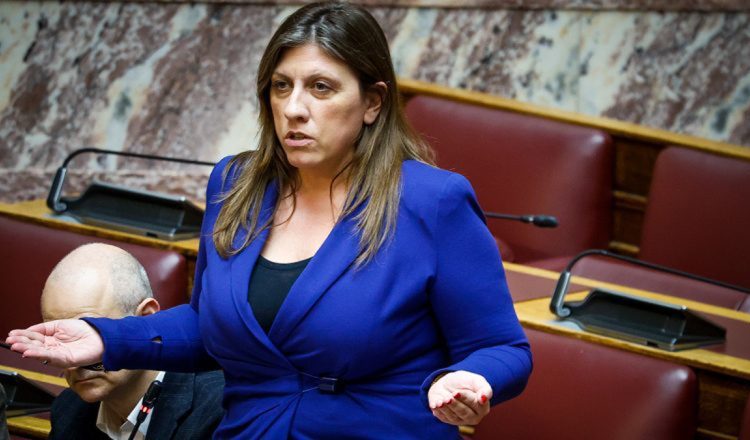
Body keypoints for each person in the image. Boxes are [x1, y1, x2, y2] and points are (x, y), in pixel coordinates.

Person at [6, 2, 532, 438]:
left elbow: (502, 347)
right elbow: (212, 328)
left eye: (320, 88)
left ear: (372, 102)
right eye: (282, 86)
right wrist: (107, 339)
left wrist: (471, 379)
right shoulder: (236, 183)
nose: (294, 109)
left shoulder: (431, 200)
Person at [40, 243, 224, 440]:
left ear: (146, 318)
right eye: (58, 340)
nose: (73, 361)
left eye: (91, 334)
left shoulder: (219, 412)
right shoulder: (68, 410)